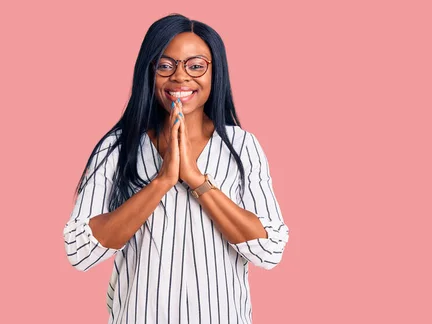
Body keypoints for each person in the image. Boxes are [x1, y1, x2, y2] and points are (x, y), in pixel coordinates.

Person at [63, 14, 289, 324]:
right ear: (149, 71)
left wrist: (196, 179)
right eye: (165, 66)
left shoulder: (242, 145)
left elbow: (269, 249)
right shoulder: (117, 147)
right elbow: (80, 250)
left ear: (215, 72)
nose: (180, 77)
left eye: (196, 66)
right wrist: (162, 181)